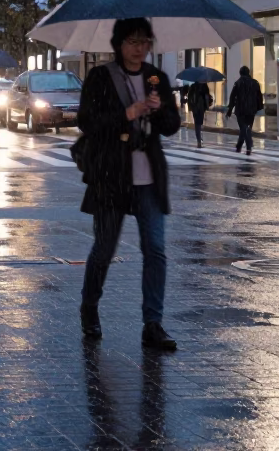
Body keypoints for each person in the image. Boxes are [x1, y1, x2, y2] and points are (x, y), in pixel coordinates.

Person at [78, 18, 181, 351]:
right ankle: (90, 306)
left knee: (156, 249)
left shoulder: (157, 78)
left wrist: (160, 108)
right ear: (119, 44)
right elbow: (87, 121)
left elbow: (171, 127)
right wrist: (128, 113)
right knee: (104, 249)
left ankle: (153, 323)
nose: (140, 48)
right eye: (133, 41)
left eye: (145, 41)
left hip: (148, 178)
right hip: (112, 178)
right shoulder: (100, 78)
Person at [225, 66, 263, 155]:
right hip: (251, 109)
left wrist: (230, 109)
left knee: (243, 127)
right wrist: (258, 107)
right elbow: (259, 96)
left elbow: (233, 97)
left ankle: (248, 145)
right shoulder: (255, 83)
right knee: (247, 127)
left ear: (240, 73)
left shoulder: (238, 83)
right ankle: (240, 146)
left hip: (241, 109)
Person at [186, 81, 213, 148]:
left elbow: (190, 97)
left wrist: (190, 107)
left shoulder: (195, 86)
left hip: (198, 107)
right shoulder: (201, 86)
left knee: (198, 123)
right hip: (199, 107)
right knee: (198, 123)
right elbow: (207, 95)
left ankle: (199, 139)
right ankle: (199, 140)